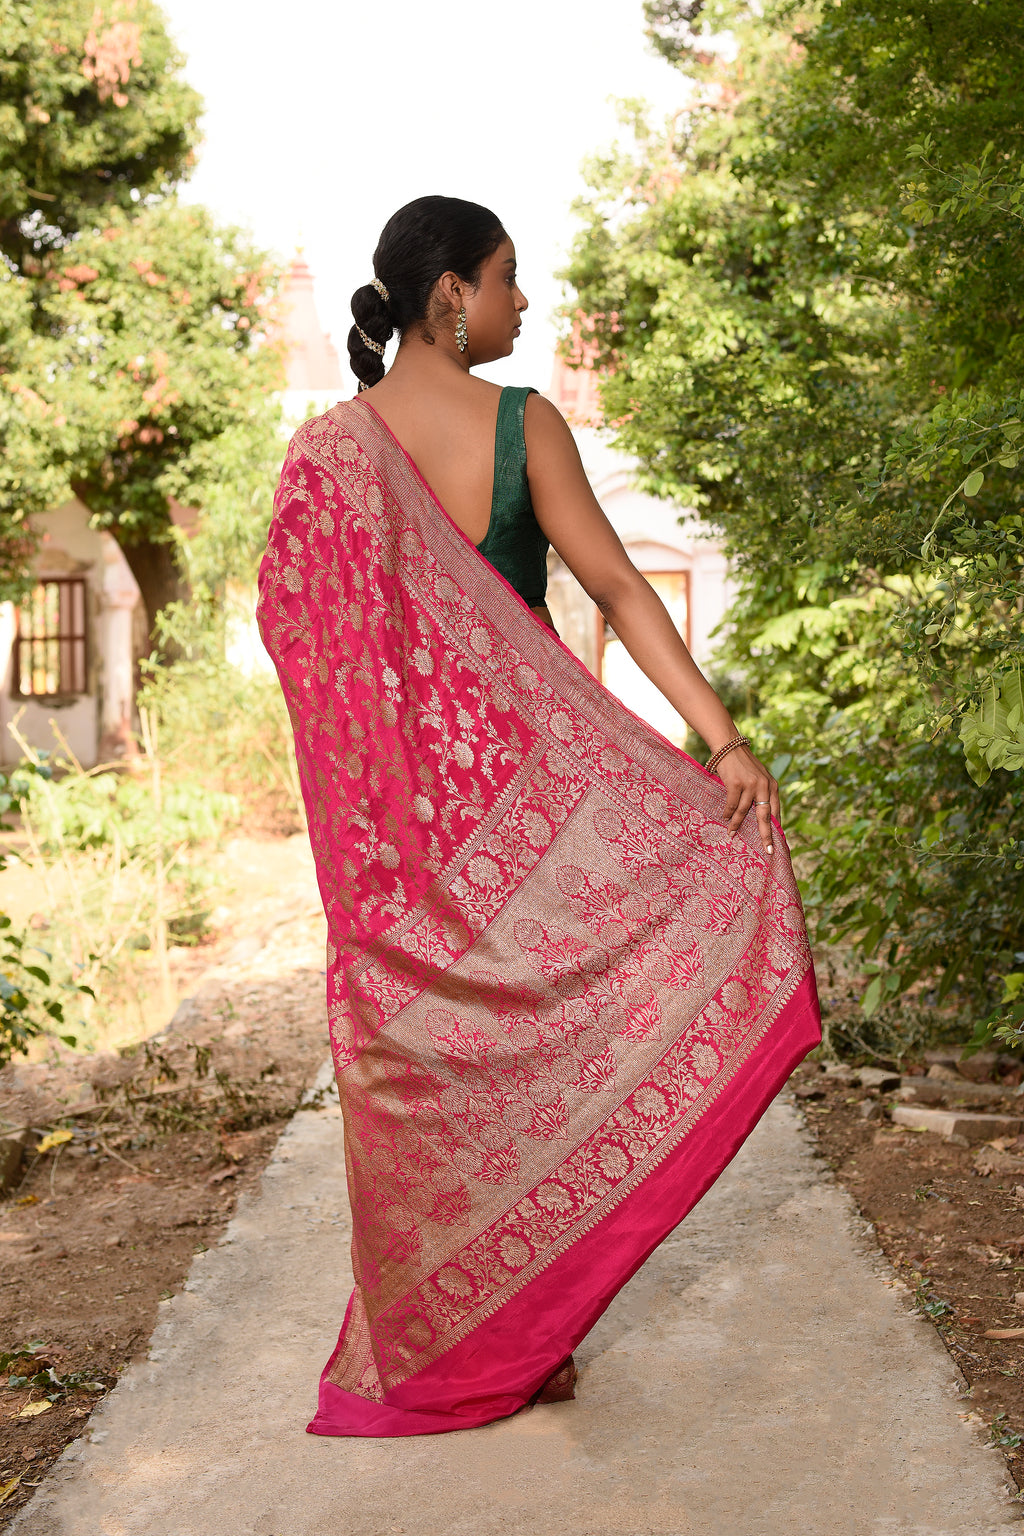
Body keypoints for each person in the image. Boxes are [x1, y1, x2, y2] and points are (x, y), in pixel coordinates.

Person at [256, 195, 821, 1438]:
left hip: (410, 834)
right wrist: (716, 739)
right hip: (536, 818)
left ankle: (488, 1337)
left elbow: (303, 639)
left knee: (430, 1074)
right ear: (449, 291)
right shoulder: (522, 427)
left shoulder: (329, 451)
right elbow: (617, 588)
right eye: (511, 278)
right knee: (544, 1046)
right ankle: (524, 1331)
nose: (525, 303)